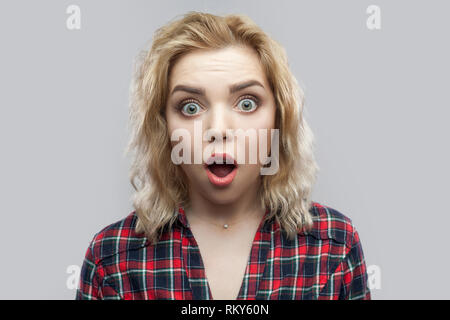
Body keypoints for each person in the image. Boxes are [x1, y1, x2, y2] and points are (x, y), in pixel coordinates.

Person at [76, 11, 371, 300]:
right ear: (163, 127)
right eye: (190, 107)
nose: (218, 130)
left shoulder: (334, 248)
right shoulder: (111, 261)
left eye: (246, 103)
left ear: (278, 120)